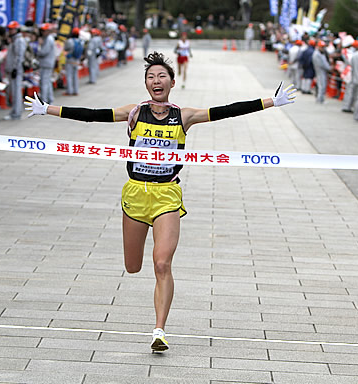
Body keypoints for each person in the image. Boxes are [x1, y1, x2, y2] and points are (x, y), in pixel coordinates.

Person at [23, 52, 297, 352]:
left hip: (167, 194)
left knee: (162, 263)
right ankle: (148, 295)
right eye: (151, 77)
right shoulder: (134, 113)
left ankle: (159, 330)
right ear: (146, 84)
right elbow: (92, 114)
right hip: (135, 195)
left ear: (172, 82)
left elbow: (226, 111)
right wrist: (47, 109)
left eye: (161, 76)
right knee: (133, 266)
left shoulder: (185, 116)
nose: (156, 81)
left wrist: (270, 102)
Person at [4, 21, 26, 120]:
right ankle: (15, 112)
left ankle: (16, 113)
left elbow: (19, 56)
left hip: (16, 70)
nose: (10, 30)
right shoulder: (15, 39)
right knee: (14, 91)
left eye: (12, 29)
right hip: (14, 69)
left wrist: (15, 69)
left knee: (16, 91)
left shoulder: (19, 40)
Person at [37, 23, 56, 104]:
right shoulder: (49, 38)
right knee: (47, 82)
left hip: (46, 63)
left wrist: (38, 47)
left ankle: (44, 101)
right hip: (48, 63)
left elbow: (44, 52)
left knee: (44, 82)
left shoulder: (48, 39)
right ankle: (49, 99)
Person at [64, 27, 83, 96]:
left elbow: (65, 49)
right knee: (75, 76)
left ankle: (69, 91)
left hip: (70, 60)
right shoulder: (80, 41)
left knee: (69, 76)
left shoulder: (69, 41)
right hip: (76, 60)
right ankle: (76, 91)